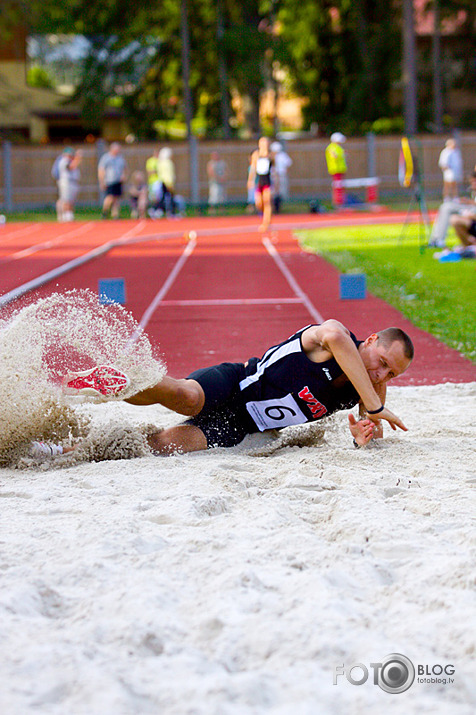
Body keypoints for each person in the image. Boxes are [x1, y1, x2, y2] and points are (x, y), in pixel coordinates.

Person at [59, 321, 413, 457]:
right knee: (187, 398)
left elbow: (371, 433)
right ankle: (114, 381)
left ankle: (65, 450)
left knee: (166, 445)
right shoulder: (335, 338)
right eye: (381, 360)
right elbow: (333, 334)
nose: (381, 374)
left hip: (241, 426)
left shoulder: (372, 391)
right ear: (371, 340)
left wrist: (361, 435)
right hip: (236, 384)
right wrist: (375, 405)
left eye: (391, 373)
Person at [429, 170, 476, 248]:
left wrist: (470, 206)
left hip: (472, 212)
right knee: (446, 208)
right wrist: (467, 202)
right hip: (471, 209)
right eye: (472, 182)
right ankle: (437, 239)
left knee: (448, 209)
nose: (473, 184)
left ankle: (438, 239)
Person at [248, 137, 275, 231]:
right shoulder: (256, 154)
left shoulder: (271, 155)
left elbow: (274, 169)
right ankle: (264, 215)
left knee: (267, 202)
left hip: (267, 180)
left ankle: (266, 222)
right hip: (259, 181)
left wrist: (276, 182)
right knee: (259, 203)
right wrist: (250, 180)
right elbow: (253, 168)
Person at [98, 142, 128, 219]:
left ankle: (115, 214)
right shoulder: (106, 158)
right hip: (109, 180)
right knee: (109, 197)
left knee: (116, 198)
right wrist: (102, 181)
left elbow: (125, 168)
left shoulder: (120, 158)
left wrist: (124, 176)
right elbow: (101, 170)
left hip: (118, 181)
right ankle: (105, 212)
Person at [55, 147, 82, 222]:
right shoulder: (64, 161)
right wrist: (78, 158)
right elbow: (71, 167)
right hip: (66, 182)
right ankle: (65, 216)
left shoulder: (70, 160)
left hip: (73, 182)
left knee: (71, 200)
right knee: (66, 199)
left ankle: (69, 215)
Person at [325, 132, 347, 208]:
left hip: (340, 170)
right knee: (337, 188)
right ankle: (338, 203)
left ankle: (340, 202)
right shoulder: (332, 147)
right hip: (335, 170)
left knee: (340, 187)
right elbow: (334, 156)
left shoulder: (338, 147)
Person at [270, 141, 292, 214]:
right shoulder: (275, 156)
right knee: (276, 192)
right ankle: (275, 207)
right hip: (276, 175)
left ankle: (277, 207)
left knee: (279, 192)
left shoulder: (281, 155)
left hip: (278, 175)